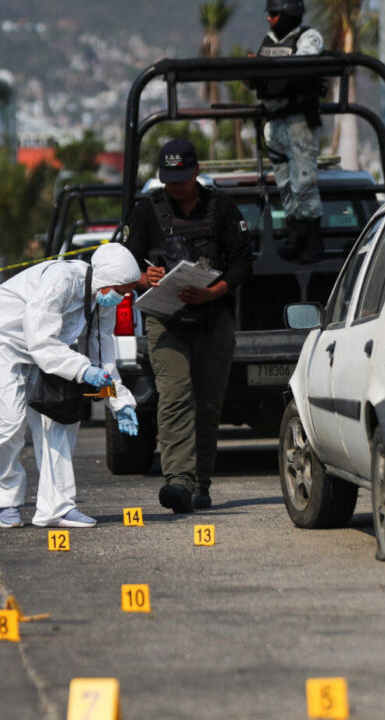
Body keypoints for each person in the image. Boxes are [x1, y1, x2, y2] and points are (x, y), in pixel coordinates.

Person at [0, 242, 142, 529]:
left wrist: (119, 401)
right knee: (10, 423)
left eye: (127, 292)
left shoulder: (102, 297)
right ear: (106, 279)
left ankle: (56, 508)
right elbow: (41, 341)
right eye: (122, 290)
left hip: (43, 351)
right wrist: (83, 369)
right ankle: (6, 499)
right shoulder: (61, 280)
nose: (122, 297)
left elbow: (103, 355)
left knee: (60, 420)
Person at [124, 138, 253, 513]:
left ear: (196, 171)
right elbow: (124, 263)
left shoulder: (222, 208)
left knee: (208, 404)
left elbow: (243, 263)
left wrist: (212, 292)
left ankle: (200, 483)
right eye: (169, 179)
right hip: (166, 321)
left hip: (213, 318)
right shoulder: (145, 211)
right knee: (175, 397)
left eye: (181, 178)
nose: (175, 186)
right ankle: (178, 482)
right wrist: (143, 279)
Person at [255, 0, 325, 263]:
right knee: (284, 184)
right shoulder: (269, 41)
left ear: (288, 13)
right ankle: (295, 236)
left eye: (274, 14)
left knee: (304, 183)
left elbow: (301, 65)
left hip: (297, 122)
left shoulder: (308, 37)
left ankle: (312, 241)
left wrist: (266, 70)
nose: (269, 19)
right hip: (274, 122)